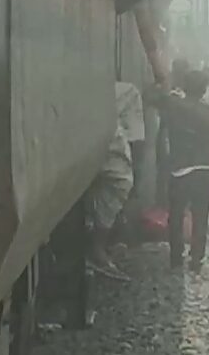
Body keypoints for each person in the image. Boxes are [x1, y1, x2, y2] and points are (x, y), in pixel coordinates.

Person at [153, 70, 209, 272]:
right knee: (201, 216)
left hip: (180, 168)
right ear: (203, 90)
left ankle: (176, 259)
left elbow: (150, 97)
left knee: (176, 215)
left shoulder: (173, 104)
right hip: (205, 167)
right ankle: (196, 260)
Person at [89, 81, 145, 281]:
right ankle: (97, 249)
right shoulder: (126, 92)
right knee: (120, 181)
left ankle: (101, 245)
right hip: (103, 144)